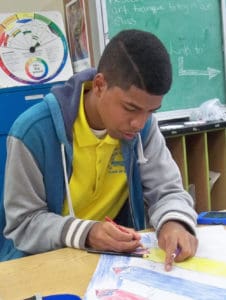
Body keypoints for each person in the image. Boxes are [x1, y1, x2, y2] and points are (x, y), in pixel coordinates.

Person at [0, 29, 198, 270]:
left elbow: (168, 192)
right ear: (100, 85)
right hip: (40, 263)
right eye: (130, 108)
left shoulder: (143, 130)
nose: (139, 123)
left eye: (151, 111)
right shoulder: (33, 132)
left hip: (108, 264)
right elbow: (23, 224)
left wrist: (174, 222)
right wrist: (88, 232)